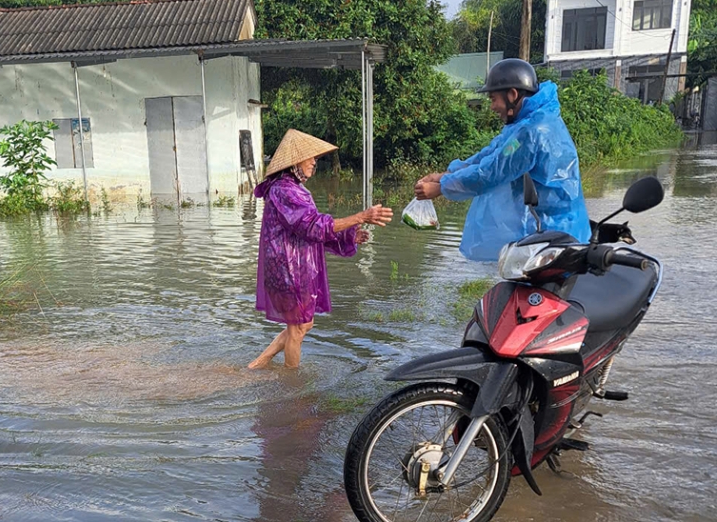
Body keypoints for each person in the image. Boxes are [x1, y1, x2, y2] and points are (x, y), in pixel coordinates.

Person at [414, 58, 591, 261]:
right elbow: (491, 155)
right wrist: (446, 175)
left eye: (493, 99)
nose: (491, 106)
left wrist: (442, 188)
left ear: (512, 95)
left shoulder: (533, 131)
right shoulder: (526, 123)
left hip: (556, 236)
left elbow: (491, 174)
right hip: (546, 232)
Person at [248, 129, 392, 369]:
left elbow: (311, 229)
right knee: (298, 328)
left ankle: (258, 364)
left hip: (295, 267)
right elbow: (313, 226)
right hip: (287, 270)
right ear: (295, 162)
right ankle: (292, 386)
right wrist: (360, 216)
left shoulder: (293, 189)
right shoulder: (284, 190)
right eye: (310, 157)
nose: (314, 161)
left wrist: (348, 235)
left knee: (303, 324)